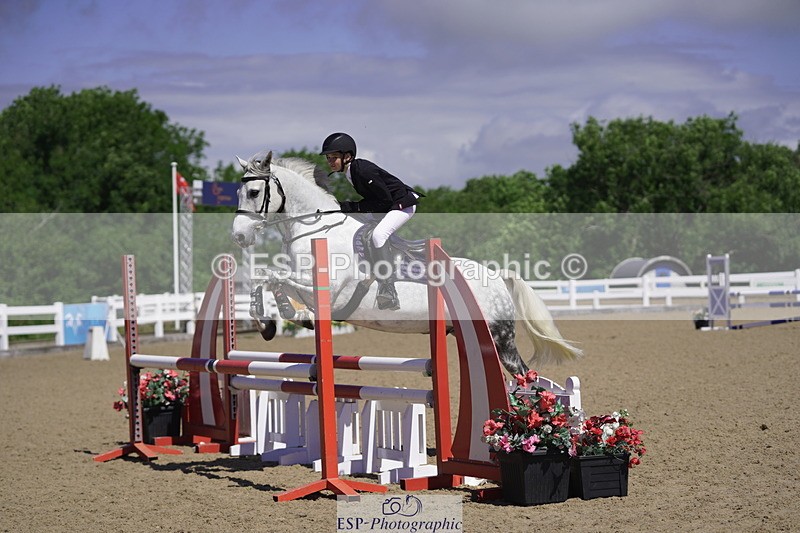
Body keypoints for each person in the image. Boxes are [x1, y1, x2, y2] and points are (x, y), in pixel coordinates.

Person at [320, 132, 422, 311]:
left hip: (402, 204)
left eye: (334, 157)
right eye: (328, 158)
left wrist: (349, 206)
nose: (330, 161)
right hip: (388, 205)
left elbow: (383, 200)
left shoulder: (362, 169)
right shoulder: (350, 172)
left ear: (348, 156)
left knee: (378, 235)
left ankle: (388, 289)